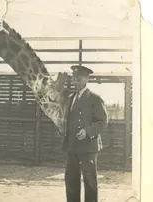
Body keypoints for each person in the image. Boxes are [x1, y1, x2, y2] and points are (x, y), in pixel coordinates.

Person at [61, 65, 109, 202]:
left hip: (88, 147)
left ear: (87, 79)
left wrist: (87, 131)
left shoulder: (94, 98)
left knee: (90, 182)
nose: (76, 82)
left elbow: (103, 121)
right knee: (71, 180)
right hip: (72, 146)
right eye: (74, 79)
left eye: (79, 79)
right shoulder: (71, 98)